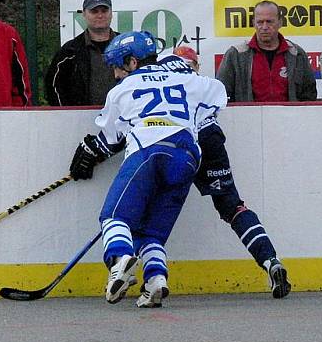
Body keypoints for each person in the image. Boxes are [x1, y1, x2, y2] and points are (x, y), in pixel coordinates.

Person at [68, 31, 227, 308]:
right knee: (151, 232)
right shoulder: (189, 80)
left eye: (117, 66)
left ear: (131, 62)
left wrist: (92, 150)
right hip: (187, 156)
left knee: (113, 217)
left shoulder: (121, 90)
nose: (116, 74)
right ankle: (155, 280)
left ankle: (119, 261)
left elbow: (110, 140)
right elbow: (217, 94)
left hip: (148, 151)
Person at [173, 44, 292, 299]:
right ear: (196, 66)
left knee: (155, 206)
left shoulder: (163, 85)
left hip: (177, 143)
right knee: (233, 207)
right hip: (210, 138)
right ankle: (270, 260)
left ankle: (151, 275)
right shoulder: (206, 84)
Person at [217, 0, 316, 102]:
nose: (264, 27)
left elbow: (309, 95)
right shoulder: (236, 55)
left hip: (289, 117)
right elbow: (220, 94)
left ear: (280, 23)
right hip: (248, 117)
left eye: (269, 22)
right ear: (253, 23)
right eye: (260, 22)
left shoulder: (297, 54)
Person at [45, 0, 118, 106]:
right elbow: (53, 87)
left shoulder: (127, 46)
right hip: (81, 120)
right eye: (94, 11)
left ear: (111, 13)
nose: (100, 15)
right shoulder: (70, 51)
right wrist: (67, 114)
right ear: (84, 14)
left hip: (124, 117)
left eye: (104, 11)